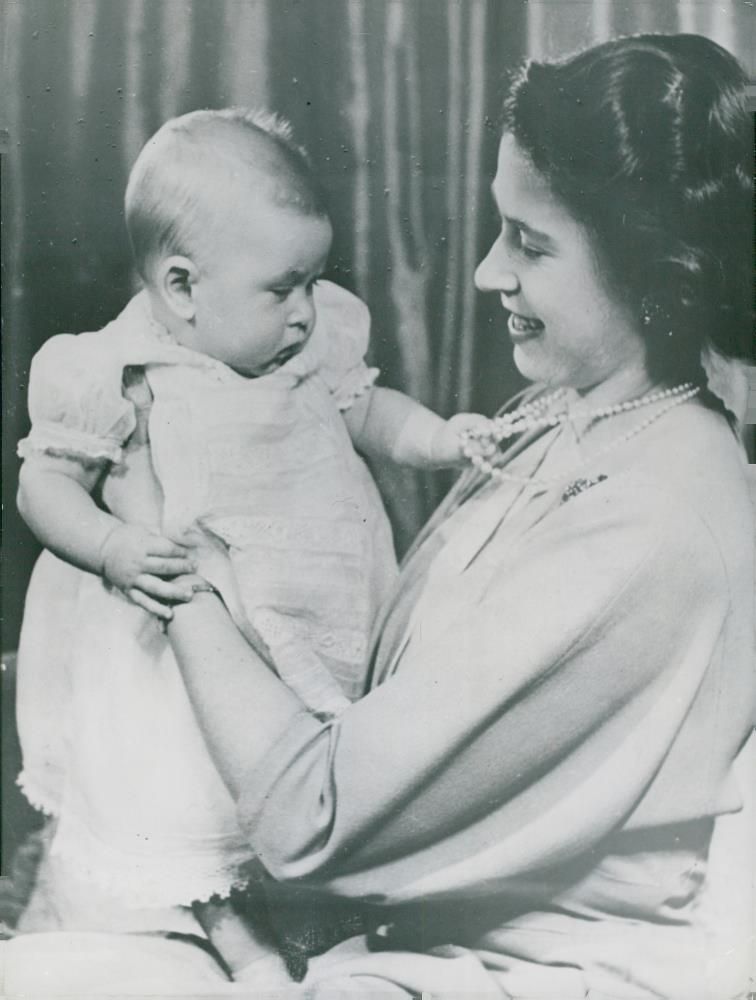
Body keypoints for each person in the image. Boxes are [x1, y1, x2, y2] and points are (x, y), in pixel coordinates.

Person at [93, 32, 752, 998]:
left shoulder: (657, 519)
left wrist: (172, 565)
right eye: (499, 229)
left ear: (653, 271)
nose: (487, 273)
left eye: (530, 243)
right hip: (396, 943)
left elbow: (312, 821)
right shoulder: (561, 417)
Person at [12, 108, 486, 979]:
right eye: (282, 289)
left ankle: (294, 908)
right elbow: (44, 485)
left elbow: (366, 411)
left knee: (298, 769)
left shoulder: (309, 348)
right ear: (183, 287)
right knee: (192, 788)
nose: (306, 311)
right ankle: (227, 927)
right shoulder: (118, 372)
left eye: (312, 282)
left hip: (313, 603)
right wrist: (114, 547)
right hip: (173, 644)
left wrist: (437, 439)